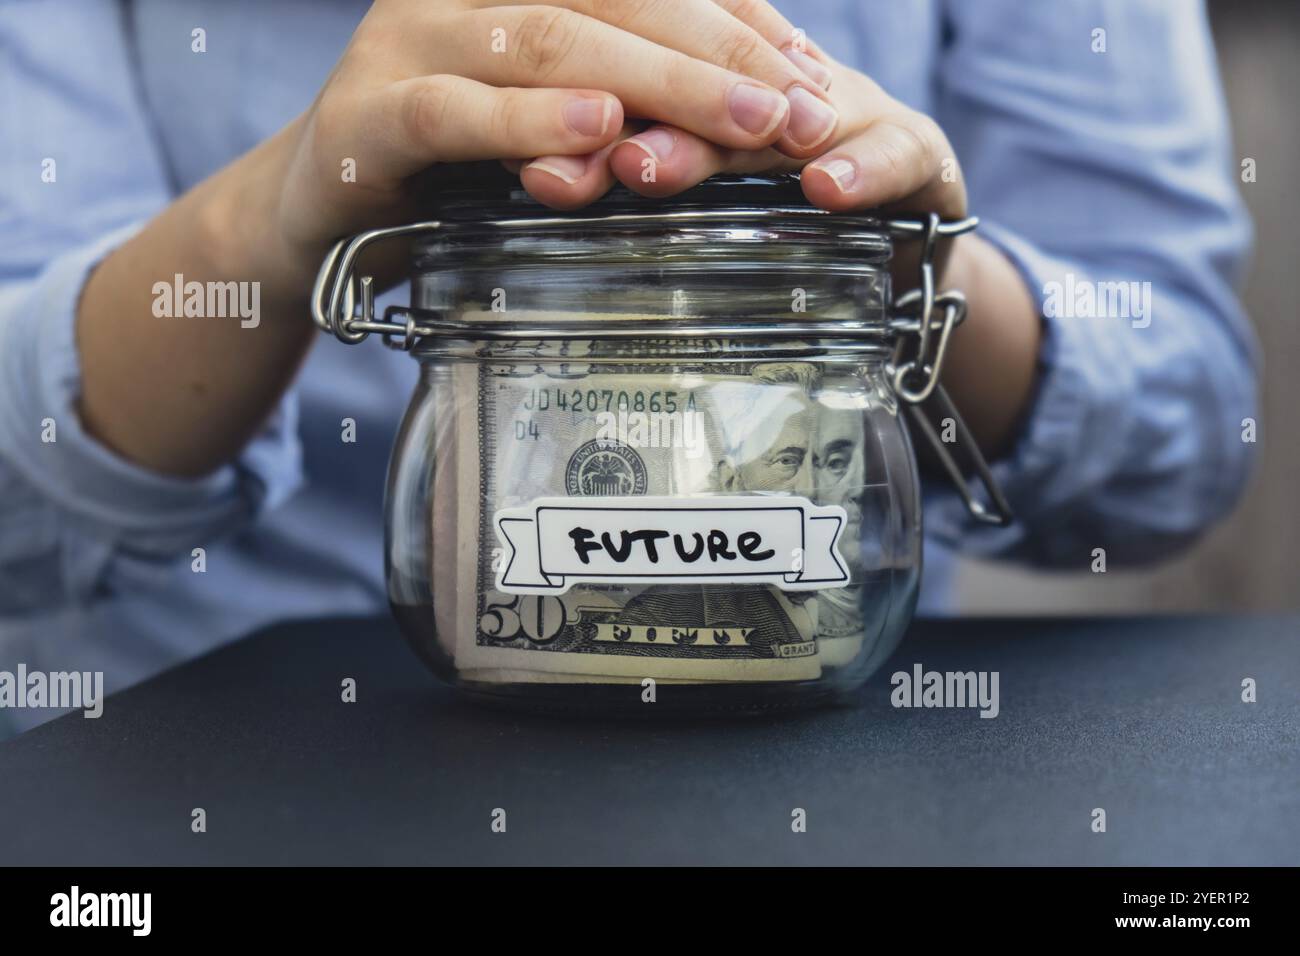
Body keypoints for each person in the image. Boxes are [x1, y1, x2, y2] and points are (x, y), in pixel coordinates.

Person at [0, 1, 1256, 735]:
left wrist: (904, 268)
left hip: (835, 769)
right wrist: (260, 227)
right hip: (202, 749)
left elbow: (1188, 428)